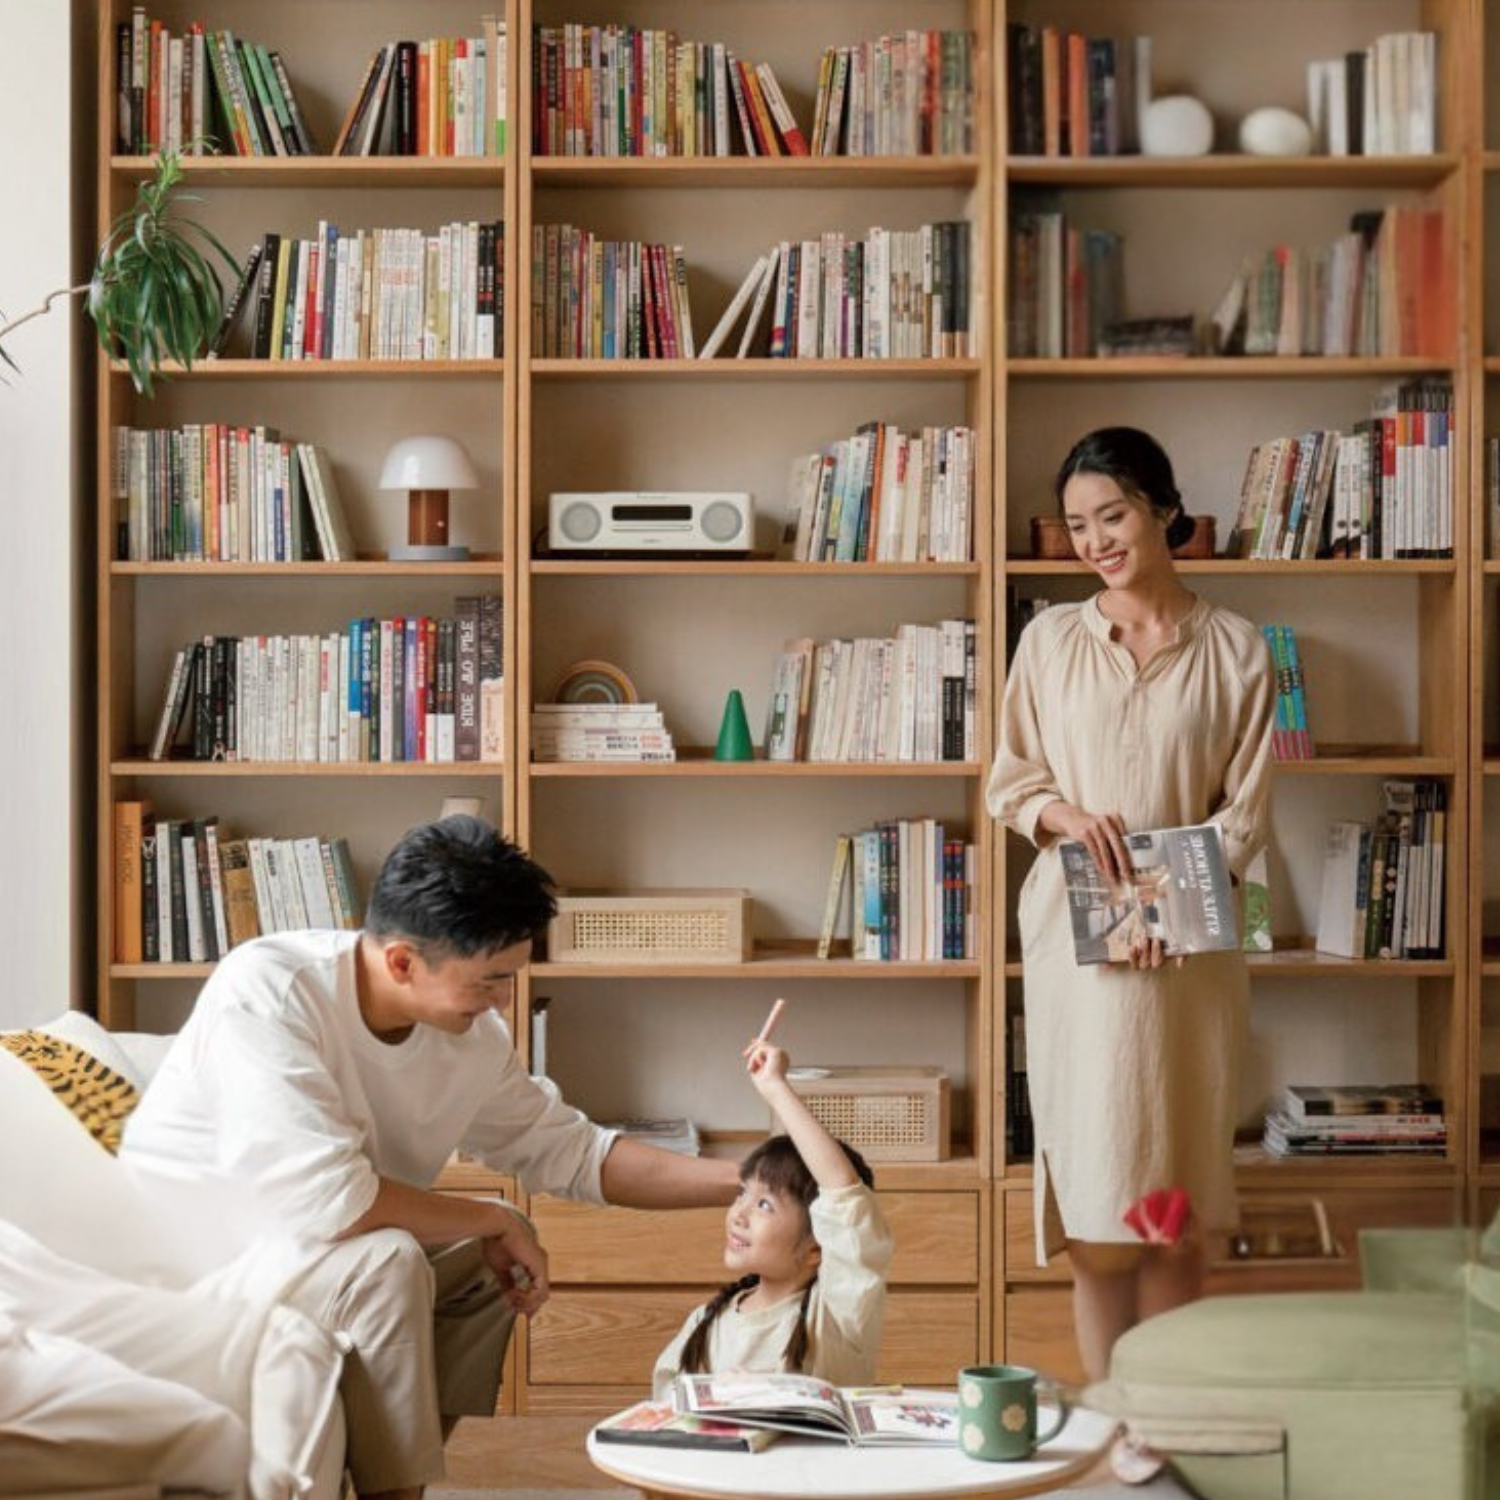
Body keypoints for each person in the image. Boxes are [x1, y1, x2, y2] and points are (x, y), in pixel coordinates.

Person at [120, 815, 741, 1500]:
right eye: (490, 980)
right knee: (396, 1258)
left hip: (308, 1251)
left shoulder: (468, 1036)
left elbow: (571, 1151)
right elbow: (331, 1202)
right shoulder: (272, 990)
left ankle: (401, 1472)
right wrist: (488, 1216)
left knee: (483, 1247)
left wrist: (748, 1181)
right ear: (402, 962)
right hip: (198, 1257)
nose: (505, 998)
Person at [987, 428, 1274, 1397]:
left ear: (1161, 509)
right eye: (1076, 525)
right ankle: (1114, 1419)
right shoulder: (1049, 641)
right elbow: (1009, 781)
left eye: (1112, 515)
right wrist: (1057, 811)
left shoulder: (1236, 647)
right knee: (1102, 1210)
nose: (1095, 539)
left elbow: (1245, 817)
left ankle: (1166, 1424)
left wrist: (1166, 913)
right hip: (1080, 949)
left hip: (1188, 955)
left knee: (1175, 1207)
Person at [651, 1037, 892, 1399]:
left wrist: (776, 1088)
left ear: (816, 1249)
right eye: (741, 1193)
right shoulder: (707, 1321)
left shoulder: (836, 1319)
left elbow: (844, 1197)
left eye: (765, 1205)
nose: (739, 1214)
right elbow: (670, 1408)